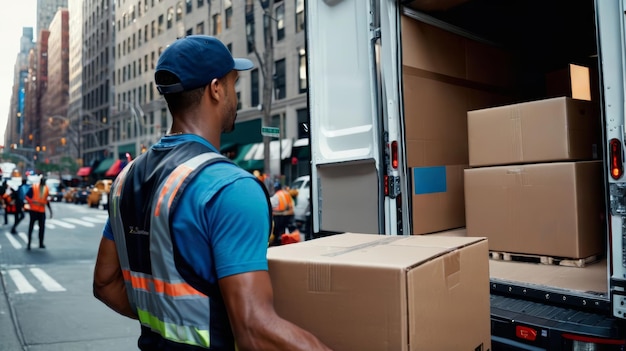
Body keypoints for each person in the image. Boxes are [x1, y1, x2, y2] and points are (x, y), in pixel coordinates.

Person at [92, 35, 332, 351]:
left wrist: (169, 317)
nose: (236, 96)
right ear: (216, 89)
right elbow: (255, 330)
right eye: (234, 85)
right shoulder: (231, 187)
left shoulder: (124, 180)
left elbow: (105, 284)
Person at [25, 176, 53, 250]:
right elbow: (27, 196)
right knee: (31, 227)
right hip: (34, 210)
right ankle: (29, 244)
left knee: (42, 228)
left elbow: (47, 201)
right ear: (40, 181)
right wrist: (31, 202)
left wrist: (50, 211)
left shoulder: (46, 189)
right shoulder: (34, 187)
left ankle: (41, 243)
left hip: (41, 211)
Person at [270, 181, 295, 246]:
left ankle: (279, 241)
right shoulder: (286, 193)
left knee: (278, 230)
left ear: (275, 188)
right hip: (289, 214)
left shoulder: (276, 195)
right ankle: (286, 240)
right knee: (285, 229)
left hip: (279, 215)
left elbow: (271, 204)